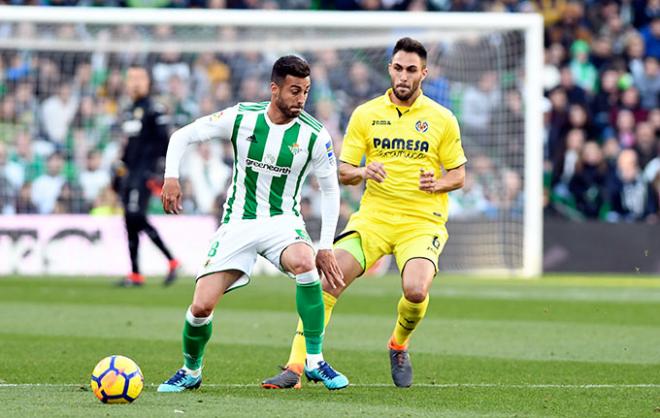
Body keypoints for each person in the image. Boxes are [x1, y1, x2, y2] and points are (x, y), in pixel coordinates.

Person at [262, 37, 466, 389]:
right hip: (373, 220)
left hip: (421, 222)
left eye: (411, 70)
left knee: (416, 290)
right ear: (390, 68)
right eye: (398, 68)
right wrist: (363, 172)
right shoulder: (366, 114)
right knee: (328, 280)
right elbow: (343, 171)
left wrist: (440, 183)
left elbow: (459, 174)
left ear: (424, 73)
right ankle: (295, 367)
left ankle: (398, 344)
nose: (403, 76)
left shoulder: (442, 119)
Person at [157, 55, 349, 392]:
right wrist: (171, 177)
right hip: (238, 223)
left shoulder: (314, 135)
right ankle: (191, 370)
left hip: (283, 222)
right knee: (201, 306)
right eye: (294, 91)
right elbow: (181, 136)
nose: (301, 99)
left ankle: (315, 360)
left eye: (305, 91)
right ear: (274, 89)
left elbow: (331, 189)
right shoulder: (241, 118)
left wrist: (326, 246)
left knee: (306, 262)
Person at [115, 66, 179, 287]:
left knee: (134, 214)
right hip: (130, 172)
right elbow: (129, 144)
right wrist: (120, 167)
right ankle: (135, 274)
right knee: (129, 220)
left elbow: (165, 140)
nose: (135, 83)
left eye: (140, 79)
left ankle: (172, 259)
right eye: (131, 78)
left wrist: (159, 169)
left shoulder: (154, 109)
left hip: (145, 172)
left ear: (148, 82)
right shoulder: (130, 110)